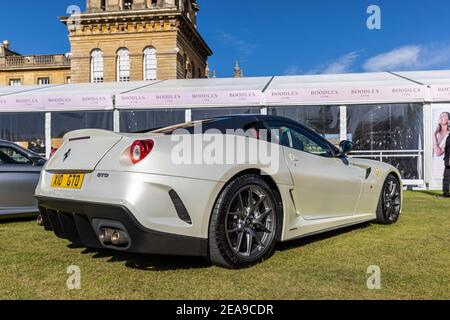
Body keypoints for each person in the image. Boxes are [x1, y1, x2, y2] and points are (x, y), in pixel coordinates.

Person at [434, 112, 450, 198]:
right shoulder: (447, 137)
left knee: (446, 178)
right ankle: (446, 193)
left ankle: (446, 193)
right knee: (446, 178)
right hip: (447, 160)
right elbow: (442, 150)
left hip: (449, 160)